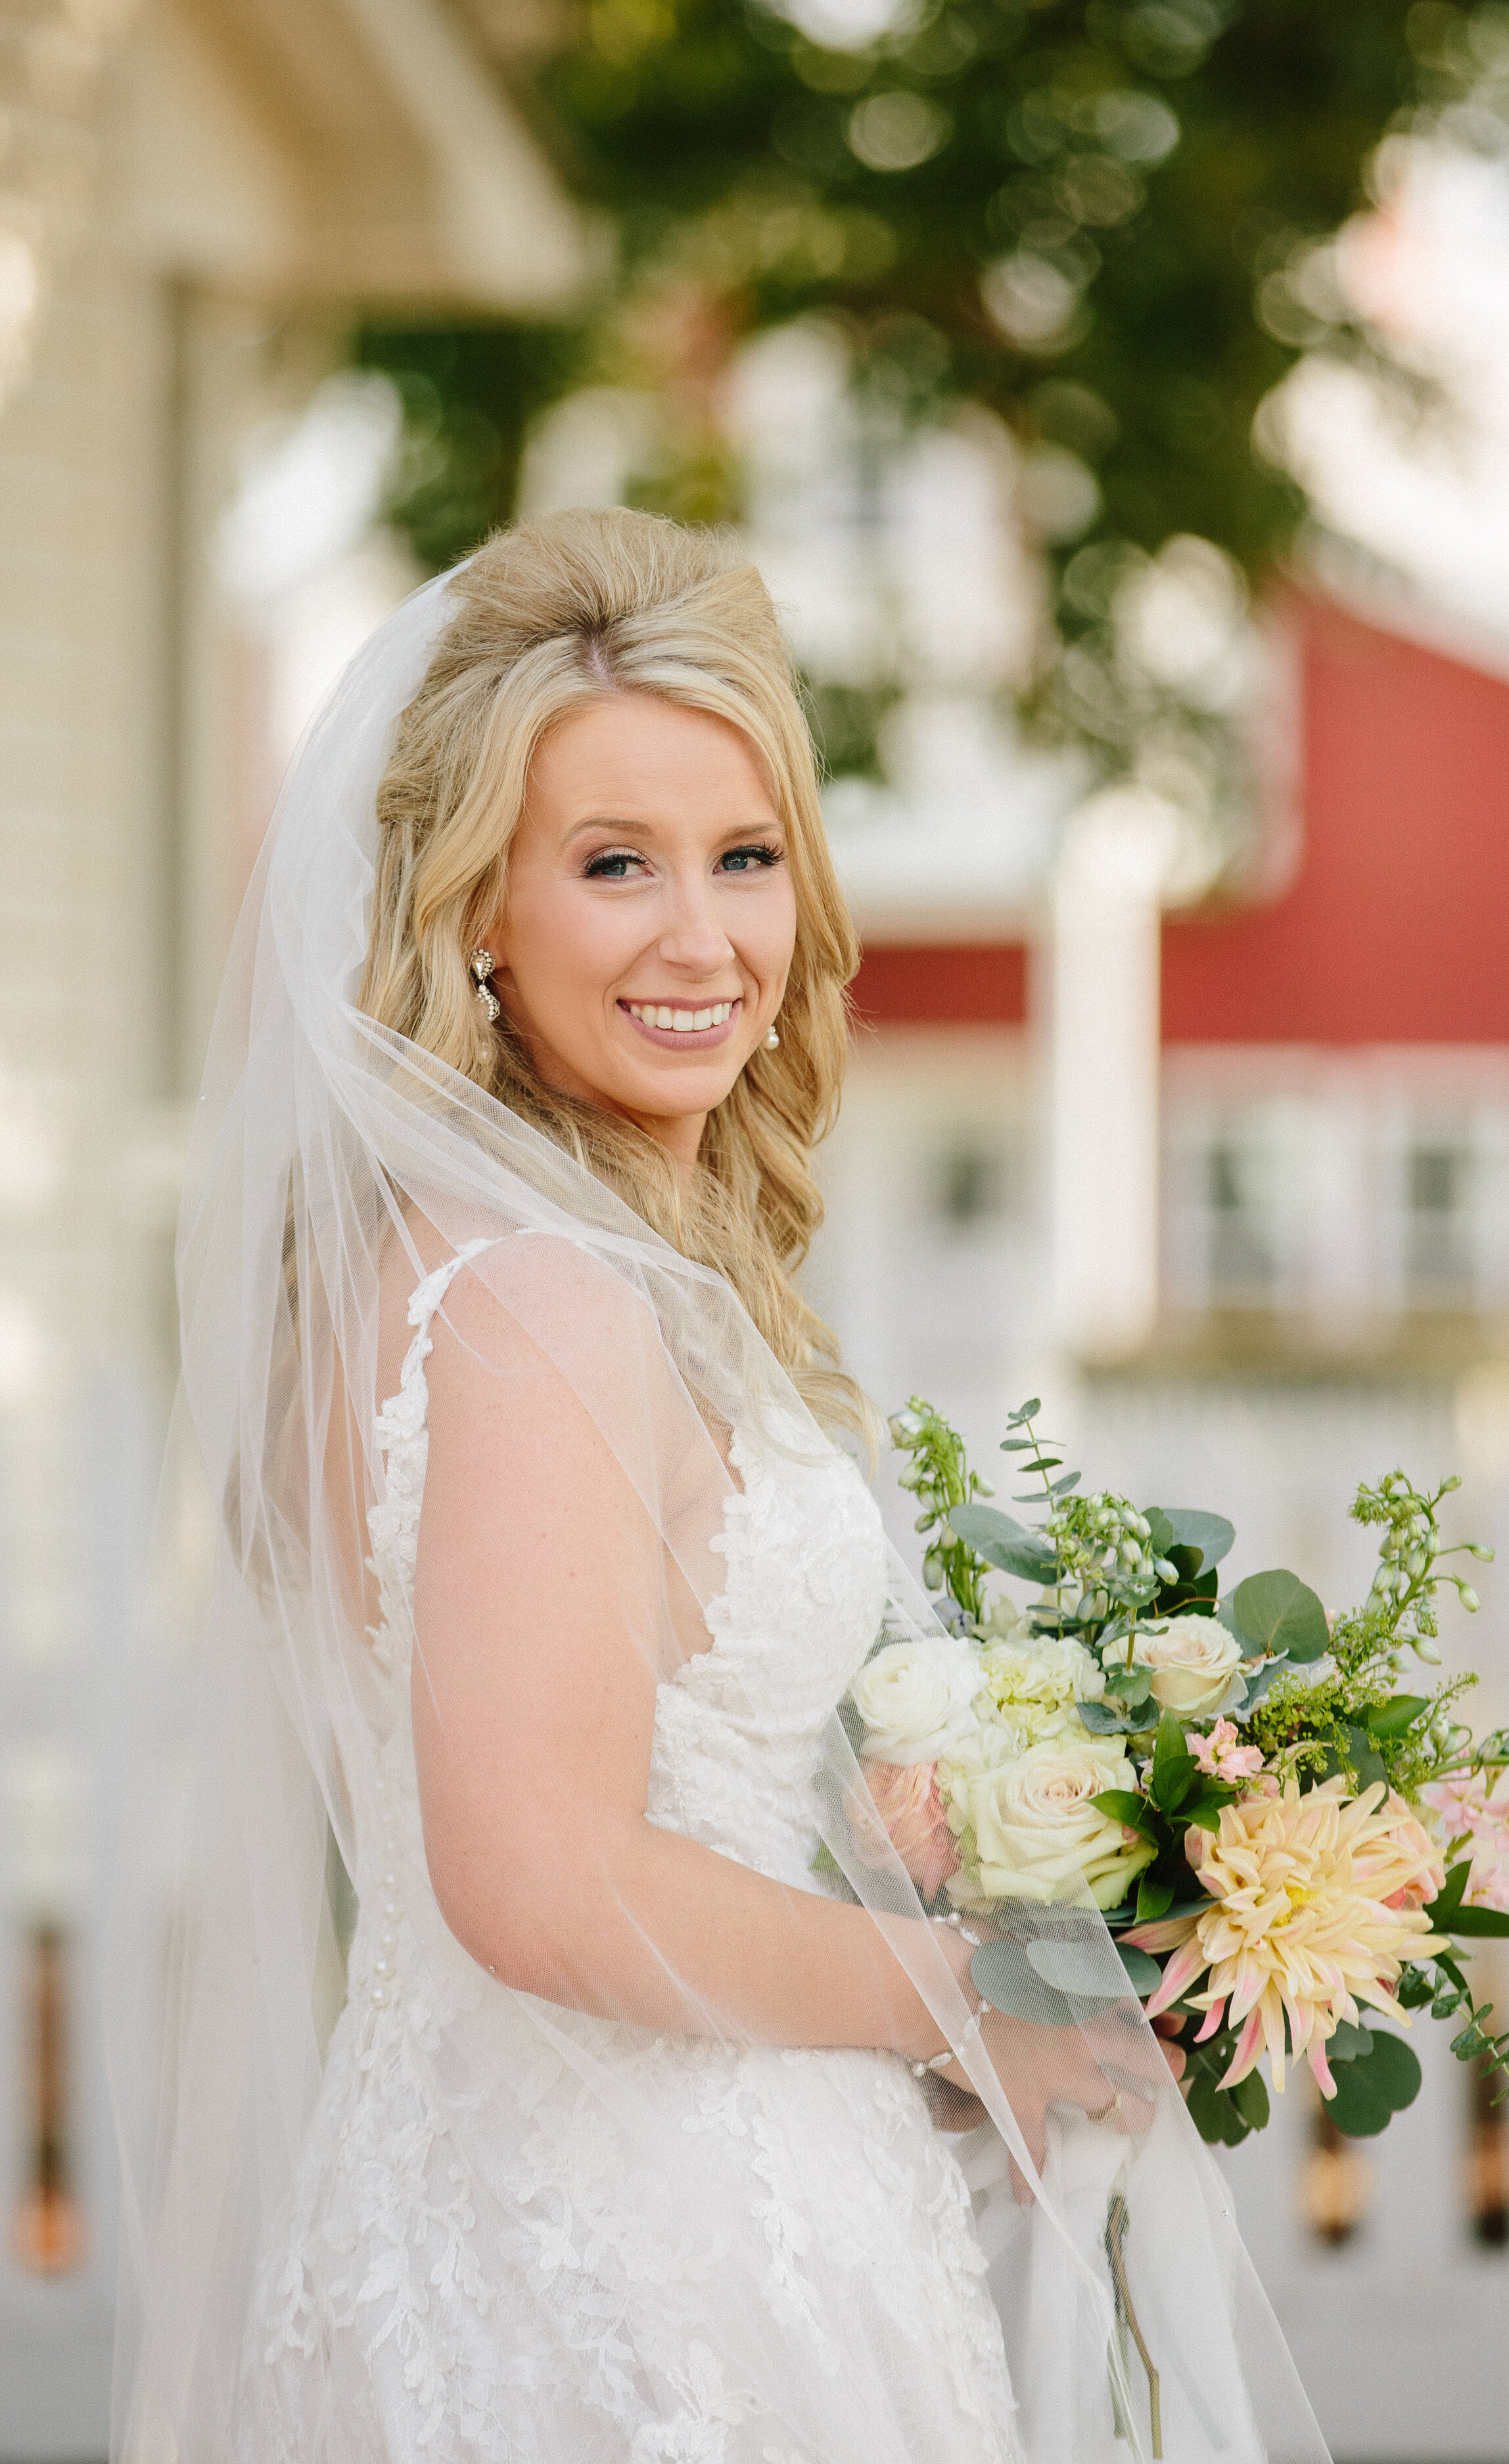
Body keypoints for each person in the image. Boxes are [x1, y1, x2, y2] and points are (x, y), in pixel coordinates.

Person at [113, 510, 1330, 2463]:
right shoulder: (538, 1302)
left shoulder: (472, 1270)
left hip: (557, 2197)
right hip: (645, 2280)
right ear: (471, 912)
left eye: (744, 857)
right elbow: (541, 1878)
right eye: (614, 866)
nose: (705, 939)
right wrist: (982, 2000)